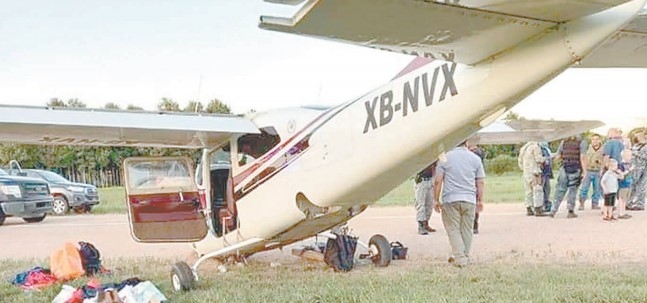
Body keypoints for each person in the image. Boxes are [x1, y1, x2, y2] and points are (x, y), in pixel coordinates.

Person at [433, 139, 485, 268]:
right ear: (466, 143)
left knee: (453, 229)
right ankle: (463, 255)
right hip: (469, 199)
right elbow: (480, 181)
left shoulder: (445, 159)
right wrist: (480, 200)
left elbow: (438, 181)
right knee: (467, 229)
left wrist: (436, 199)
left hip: (451, 198)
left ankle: (460, 258)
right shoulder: (475, 159)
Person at [549, 135, 586, 218]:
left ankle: (553, 210)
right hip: (575, 168)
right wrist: (585, 171)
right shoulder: (582, 142)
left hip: (564, 168)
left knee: (560, 190)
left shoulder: (563, 142)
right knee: (572, 190)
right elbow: (582, 157)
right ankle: (570, 211)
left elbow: (558, 156)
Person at [517, 141, 548, 216]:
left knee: (528, 191)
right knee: (537, 190)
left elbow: (520, 161)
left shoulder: (524, 148)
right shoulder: (535, 147)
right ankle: (538, 208)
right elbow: (538, 159)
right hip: (535, 172)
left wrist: (524, 169)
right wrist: (545, 158)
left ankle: (529, 208)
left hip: (526, 172)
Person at [579, 133, 604, 210]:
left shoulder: (603, 149)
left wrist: (601, 165)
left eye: (597, 139)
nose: (595, 141)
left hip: (597, 170)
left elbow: (605, 161)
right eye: (593, 139)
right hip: (588, 170)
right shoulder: (587, 148)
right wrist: (583, 171)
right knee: (584, 188)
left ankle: (595, 204)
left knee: (597, 189)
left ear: (600, 140)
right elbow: (583, 158)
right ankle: (581, 203)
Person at [414, 162, 437, 235]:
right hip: (422, 180)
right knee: (421, 204)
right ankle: (421, 225)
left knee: (429, 204)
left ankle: (426, 223)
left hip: (430, 180)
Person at [627, 129, 647, 210]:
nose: (637, 137)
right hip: (635, 168)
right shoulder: (636, 145)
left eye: (639, 135)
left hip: (644, 169)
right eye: (636, 136)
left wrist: (635, 152)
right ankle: (630, 203)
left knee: (641, 187)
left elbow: (645, 156)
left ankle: (640, 204)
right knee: (633, 186)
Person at [468, 143, 485, 234]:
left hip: (468, 180)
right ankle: (474, 224)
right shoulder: (479, 153)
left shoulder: (470, 154)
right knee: (475, 202)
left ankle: (471, 224)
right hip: (475, 180)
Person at [617, 149, 633, 219]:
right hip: (623, 184)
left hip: (628, 183)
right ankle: (620, 213)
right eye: (630, 156)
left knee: (625, 199)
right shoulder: (620, 165)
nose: (631, 157)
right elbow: (621, 175)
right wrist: (630, 170)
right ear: (625, 156)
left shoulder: (628, 164)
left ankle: (623, 212)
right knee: (621, 198)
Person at [539, 142, 554, 212]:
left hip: (547, 171)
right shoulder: (539, 149)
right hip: (542, 172)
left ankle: (546, 203)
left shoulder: (546, 149)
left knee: (547, 188)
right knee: (542, 188)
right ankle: (541, 205)